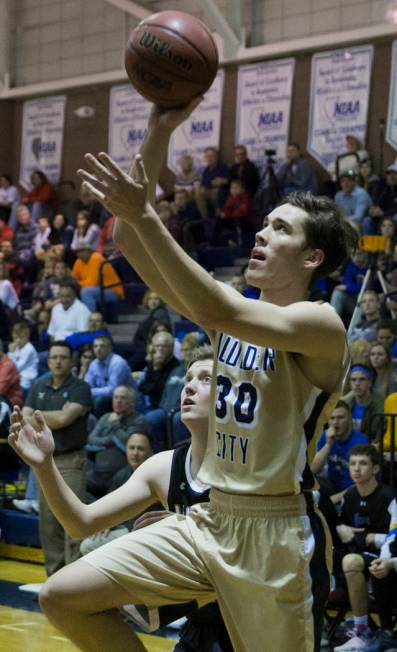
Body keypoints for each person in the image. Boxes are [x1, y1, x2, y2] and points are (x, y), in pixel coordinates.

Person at [37, 101, 358, 652]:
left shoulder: (320, 323)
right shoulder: (229, 313)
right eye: (262, 223)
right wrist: (159, 133)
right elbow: (130, 242)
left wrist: (146, 212)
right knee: (62, 595)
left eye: (279, 228)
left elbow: (218, 309)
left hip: (275, 534)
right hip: (209, 520)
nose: (261, 233)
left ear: (312, 258)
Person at [9, 345, 233, 652]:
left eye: (206, 379)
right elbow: (81, 523)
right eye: (188, 378)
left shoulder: (251, 468)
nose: (190, 386)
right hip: (202, 627)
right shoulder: (163, 466)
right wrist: (44, 465)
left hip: (253, 620)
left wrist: (190, 525)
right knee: (58, 598)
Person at [21, 340, 92, 576]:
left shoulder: (80, 387)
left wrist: (38, 417)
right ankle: (54, 578)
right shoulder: (38, 385)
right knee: (48, 524)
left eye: (63, 357)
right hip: (44, 463)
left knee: (73, 520)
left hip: (71, 461)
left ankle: (74, 579)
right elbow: (24, 416)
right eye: (54, 357)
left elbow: (64, 419)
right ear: (48, 360)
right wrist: (54, 416)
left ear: (71, 361)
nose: (58, 361)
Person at [333, 445, 397, 652]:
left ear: (376, 469)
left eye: (363, 463)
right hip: (360, 553)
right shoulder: (349, 496)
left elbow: (393, 536)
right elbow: (339, 527)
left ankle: (362, 630)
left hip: (387, 557)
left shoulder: (389, 496)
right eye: (352, 464)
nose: (356, 469)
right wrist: (344, 529)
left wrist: (369, 538)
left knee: (350, 561)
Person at [80, 430, 154, 553]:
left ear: (151, 453)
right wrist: (107, 524)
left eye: (140, 449)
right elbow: (109, 507)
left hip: (149, 533)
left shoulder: (157, 474)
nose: (135, 453)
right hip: (127, 530)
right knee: (88, 543)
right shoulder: (121, 475)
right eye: (131, 448)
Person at [86, 385, 147, 497]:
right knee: (75, 487)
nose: (118, 401)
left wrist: (115, 425)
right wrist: (111, 441)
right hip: (98, 472)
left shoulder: (139, 420)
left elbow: (127, 443)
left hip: (120, 473)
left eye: (123, 398)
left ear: (132, 402)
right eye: (115, 397)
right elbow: (91, 439)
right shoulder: (106, 417)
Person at [311, 401, 368, 497]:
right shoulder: (326, 436)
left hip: (354, 491)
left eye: (340, 417)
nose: (335, 422)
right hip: (332, 484)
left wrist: (334, 499)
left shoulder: (360, 441)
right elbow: (313, 469)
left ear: (350, 419)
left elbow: (363, 483)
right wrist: (329, 444)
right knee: (308, 481)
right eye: (332, 418)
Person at [84, 335, 134, 417]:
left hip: (124, 398)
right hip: (105, 398)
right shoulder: (94, 364)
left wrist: (90, 392)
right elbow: (86, 386)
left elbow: (113, 391)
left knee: (99, 400)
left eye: (102, 346)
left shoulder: (118, 363)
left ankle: (101, 426)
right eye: (95, 346)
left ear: (110, 348)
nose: (98, 349)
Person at [71, 240, 124, 314]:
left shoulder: (96, 258)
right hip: (98, 290)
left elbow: (92, 284)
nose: (79, 254)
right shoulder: (79, 261)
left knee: (86, 292)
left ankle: (90, 319)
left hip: (112, 291)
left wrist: (77, 283)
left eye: (81, 251)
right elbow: (72, 279)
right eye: (77, 252)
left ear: (89, 250)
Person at [342, 364, 384, 442]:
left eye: (362, 379)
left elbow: (380, 435)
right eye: (353, 380)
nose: (357, 383)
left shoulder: (381, 406)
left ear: (370, 383)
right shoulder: (345, 405)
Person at [7, 321, 39, 395]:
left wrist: (11, 353)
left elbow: (15, 369)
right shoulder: (17, 347)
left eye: (20, 337)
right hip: (17, 379)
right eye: (15, 338)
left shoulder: (29, 349)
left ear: (27, 335)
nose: (17, 340)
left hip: (26, 383)